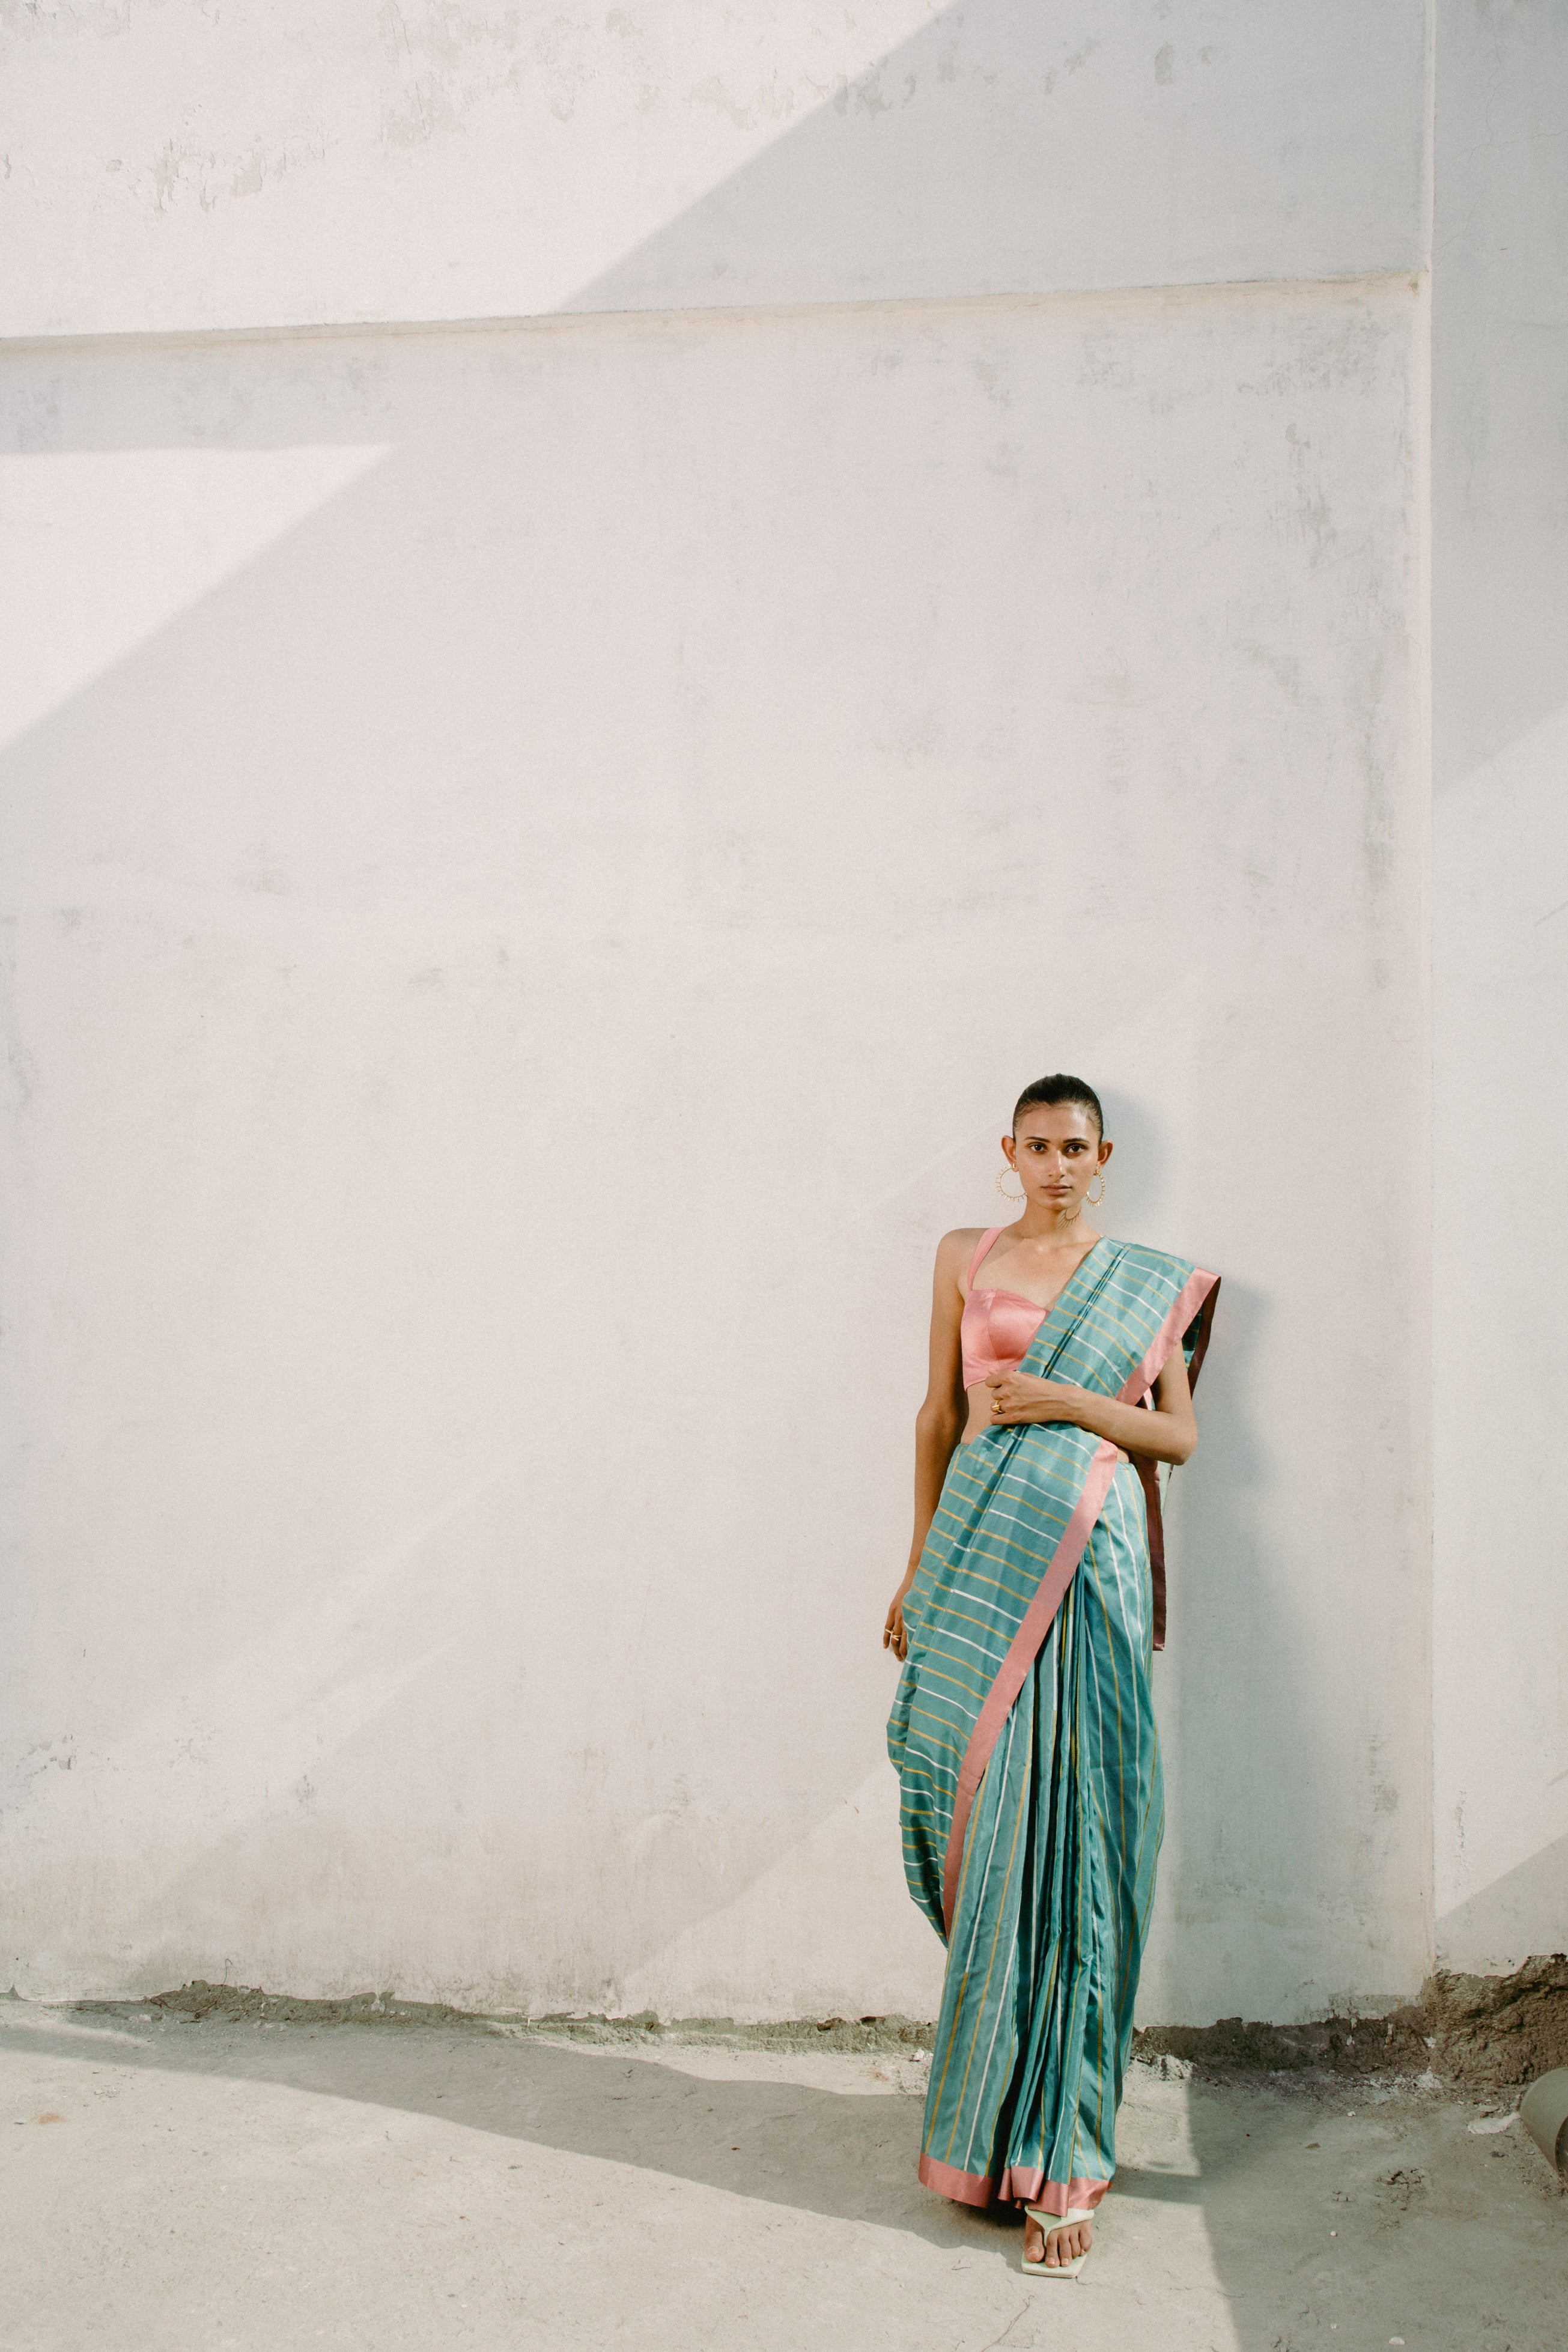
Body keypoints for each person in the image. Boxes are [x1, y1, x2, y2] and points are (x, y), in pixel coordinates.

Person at [884, 1074, 1218, 2279]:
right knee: (977, 1816)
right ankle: (985, 2127)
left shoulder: (1143, 1277)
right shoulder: (962, 1256)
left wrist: (1066, 1399)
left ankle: (1065, 2154)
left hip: (1088, 1566)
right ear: (1008, 1150)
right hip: (980, 1559)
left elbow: (1175, 1436)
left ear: (1105, 1152)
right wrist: (918, 1568)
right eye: (1039, 1145)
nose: (1058, 1163)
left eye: (1077, 1146)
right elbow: (936, 1412)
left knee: (1079, 1832)